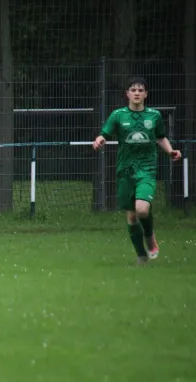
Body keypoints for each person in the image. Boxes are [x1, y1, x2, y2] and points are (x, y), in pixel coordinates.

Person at [92, 77, 182, 265]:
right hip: (125, 170)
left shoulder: (154, 116)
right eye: (133, 90)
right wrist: (99, 140)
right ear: (127, 94)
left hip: (147, 168)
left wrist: (170, 150)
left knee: (142, 209)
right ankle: (141, 255)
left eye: (140, 90)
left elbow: (160, 137)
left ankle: (150, 237)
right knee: (132, 215)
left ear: (146, 94)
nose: (137, 93)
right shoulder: (118, 115)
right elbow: (105, 133)